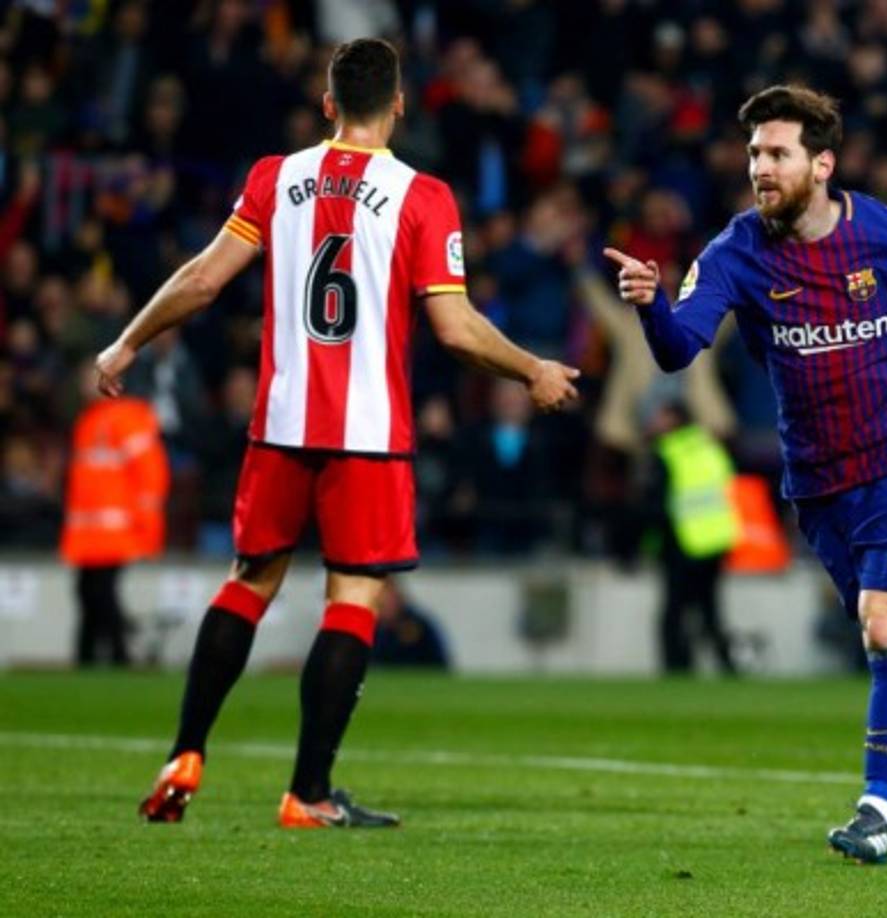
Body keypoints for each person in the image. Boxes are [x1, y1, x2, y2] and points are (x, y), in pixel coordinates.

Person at [96, 38, 579, 829]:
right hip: (367, 432)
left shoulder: (273, 177)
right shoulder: (422, 195)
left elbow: (203, 279)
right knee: (352, 598)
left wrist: (125, 343)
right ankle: (308, 792)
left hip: (281, 423)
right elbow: (454, 329)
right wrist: (532, 370)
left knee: (248, 582)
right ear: (398, 104)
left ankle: (185, 751)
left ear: (327, 105)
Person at [604, 84, 887, 865]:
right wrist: (650, 305)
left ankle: (876, 812)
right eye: (753, 154)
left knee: (885, 625)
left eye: (776, 153)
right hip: (816, 481)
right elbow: (676, 350)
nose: (760, 168)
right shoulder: (734, 252)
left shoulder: (886, 233)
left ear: (821, 164)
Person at [60, 360, 168, 666]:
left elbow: (151, 474)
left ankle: (114, 656)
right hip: (91, 533)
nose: (85, 386)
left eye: (92, 378)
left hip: (115, 530)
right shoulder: (88, 421)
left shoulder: (127, 418)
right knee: (90, 592)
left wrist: (147, 527)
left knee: (99, 592)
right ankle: (92, 657)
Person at [644, 398, 739, 674]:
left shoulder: (667, 452)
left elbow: (657, 506)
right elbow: (728, 486)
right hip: (716, 540)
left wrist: (649, 542)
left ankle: (677, 666)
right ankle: (726, 665)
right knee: (710, 609)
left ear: (674, 420)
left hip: (682, 541)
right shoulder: (711, 447)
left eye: (661, 417)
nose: (654, 423)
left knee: (674, 610)